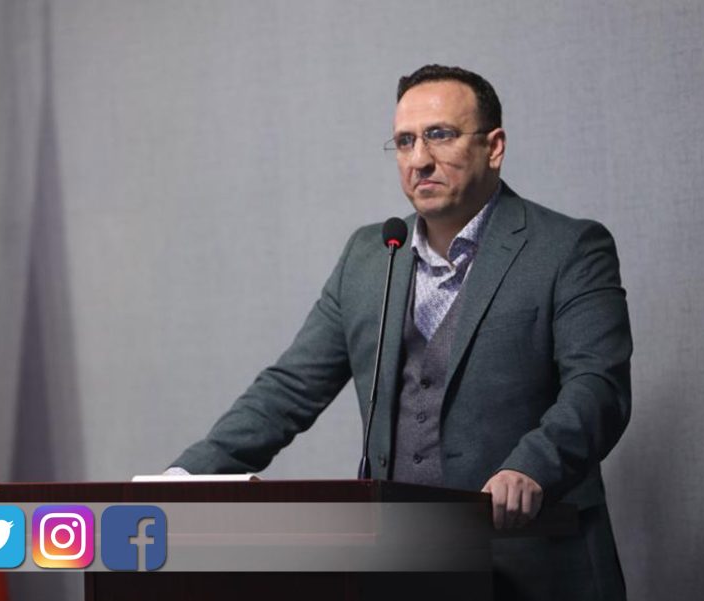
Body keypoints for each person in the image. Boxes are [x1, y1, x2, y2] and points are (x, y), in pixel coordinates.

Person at [170, 64, 631, 600]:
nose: (419, 159)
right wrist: (186, 479)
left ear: (494, 147)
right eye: (406, 141)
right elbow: (289, 388)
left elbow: (598, 388)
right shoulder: (371, 256)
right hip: (402, 566)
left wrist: (531, 469)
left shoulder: (568, 248)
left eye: (440, 135)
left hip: (537, 562)